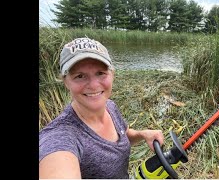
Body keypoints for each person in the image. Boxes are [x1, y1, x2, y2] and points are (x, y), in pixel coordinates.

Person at [39, 37, 165, 179]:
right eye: (80, 76)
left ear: (112, 74)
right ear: (65, 81)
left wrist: (143, 134)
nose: (93, 85)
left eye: (100, 73)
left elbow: (124, 133)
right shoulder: (61, 136)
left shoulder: (110, 106)